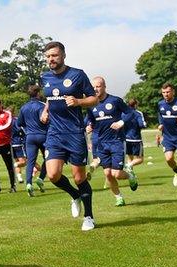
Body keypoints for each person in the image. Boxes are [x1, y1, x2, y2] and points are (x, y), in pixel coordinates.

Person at [40, 41, 98, 231]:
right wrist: (46, 110)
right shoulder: (45, 76)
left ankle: (89, 217)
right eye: (48, 56)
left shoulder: (77, 74)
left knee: (79, 178)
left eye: (55, 55)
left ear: (63, 55)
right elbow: (51, 97)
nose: (51, 59)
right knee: (52, 175)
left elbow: (94, 98)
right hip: (54, 133)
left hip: (74, 133)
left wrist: (79, 101)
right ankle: (74, 195)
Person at [86, 77, 138, 207]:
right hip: (102, 144)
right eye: (93, 87)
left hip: (117, 141)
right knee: (107, 174)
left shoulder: (115, 100)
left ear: (104, 87)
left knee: (117, 174)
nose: (95, 89)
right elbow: (91, 121)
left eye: (98, 86)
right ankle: (118, 197)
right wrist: (89, 126)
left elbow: (130, 113)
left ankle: (130, 176)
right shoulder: (91, 104)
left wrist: (121, 122)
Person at [17, 85, 48, 197]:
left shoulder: (23, 107)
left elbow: (19, 123)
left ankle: (29, 184)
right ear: (38, 93)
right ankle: (40, 178)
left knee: (30, 161)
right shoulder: (42, 106)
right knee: (48, 158)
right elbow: (44, 119)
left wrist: (28, 128)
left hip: (30, 137)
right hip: (43, 135)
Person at [124, 99, 146, 172]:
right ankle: (128, 166)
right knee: (140, 159)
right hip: (136, 139)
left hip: (126, 139)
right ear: (135, 105)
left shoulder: (123, 113)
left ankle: (131, 177)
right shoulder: (138, 113)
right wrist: (144, 124)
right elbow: (141, 125)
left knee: (130, 158)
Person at [11, 114, 27, 184]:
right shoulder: (15, 120)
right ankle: (13, 166)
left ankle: (20, 178)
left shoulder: (6, 121)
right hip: (18, 143)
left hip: (11, 144)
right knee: (24, 162)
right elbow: (20, 129)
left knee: (17, 160)